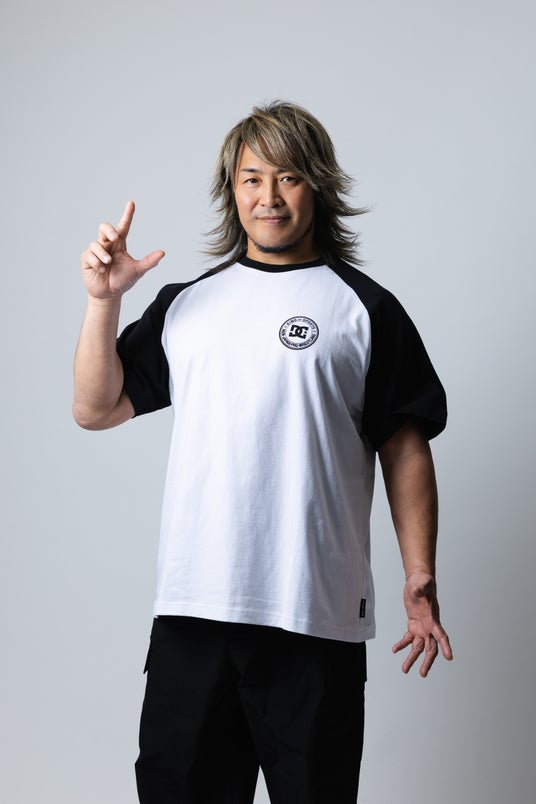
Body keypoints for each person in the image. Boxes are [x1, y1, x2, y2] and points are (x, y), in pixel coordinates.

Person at [74, 101, 453, 804]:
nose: (269, 197)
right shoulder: (187, 305)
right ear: (233, 190)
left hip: (313, 617)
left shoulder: (364, 309)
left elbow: (405, 448)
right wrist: (104, 302)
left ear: (318, 185)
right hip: (194, 614)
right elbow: (96, 408)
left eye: (288, 177)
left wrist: (419, 573)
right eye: (252, 179)